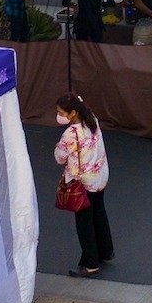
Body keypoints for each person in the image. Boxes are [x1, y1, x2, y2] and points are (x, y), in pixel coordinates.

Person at [53, 93, 112, 278]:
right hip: (99, 176)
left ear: (72, 113)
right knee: (99, 213)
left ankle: (90, 264)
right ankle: (105, 251)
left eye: (61, 112)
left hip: (82, 184)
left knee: (84, 223)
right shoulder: (92, 119)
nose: (59, 115)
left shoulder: (71, 134)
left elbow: (59, 156)